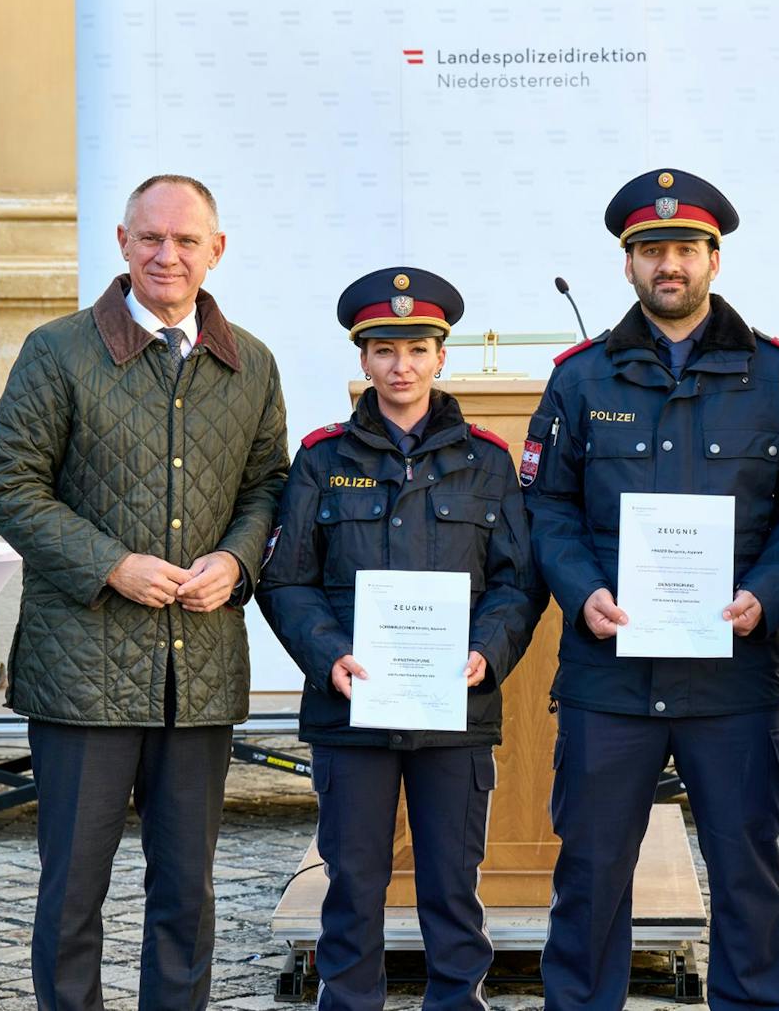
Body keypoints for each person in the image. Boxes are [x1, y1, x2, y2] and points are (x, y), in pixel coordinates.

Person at [0, 174, 289, 1011]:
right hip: (81, 673)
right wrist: (112, 564)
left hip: (201, 672)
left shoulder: (250, 363)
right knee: (72, 895)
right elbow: (10, 487)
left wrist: (236, 560)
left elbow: (270, 486)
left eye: (187, 240)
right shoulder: (59, 351)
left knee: (185, 896)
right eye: (151, 237)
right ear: (121, 243)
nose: (167, 254)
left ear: (215, 251)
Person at [525, 168, 779, 1010]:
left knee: (747, 876)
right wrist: (582, 589)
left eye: (686, 249)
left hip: (731, 675)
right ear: (627, 264)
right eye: (652, 250)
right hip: (608, 675)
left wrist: (767, 595)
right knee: (588, 879)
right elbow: (546, 504)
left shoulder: (778, 377)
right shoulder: (580, 379)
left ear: (714, 260)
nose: (671, 265)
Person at [257, 266, 541, 1011]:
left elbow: (518, 581)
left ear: (441, 356)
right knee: (354, 877)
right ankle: (348, 1001)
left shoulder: (486, 462)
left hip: (455, 709)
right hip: (353, 709)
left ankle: (456, 1000)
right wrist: (328, 657)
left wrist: (488, 652)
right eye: (384, 350)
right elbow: (286, 580)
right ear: (363, 360)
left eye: (416, 349)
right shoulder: (322, 460)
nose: (401, 366)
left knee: (452, 879)